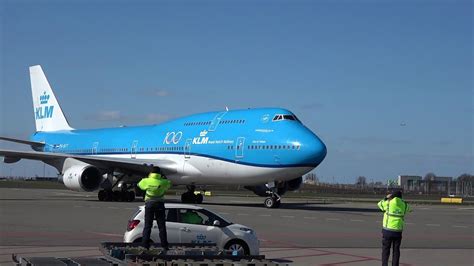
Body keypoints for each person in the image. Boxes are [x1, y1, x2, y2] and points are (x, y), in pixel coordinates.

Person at [138, 167, 171, 250]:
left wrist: (148, 179)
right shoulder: (163, 182)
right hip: (160, 204)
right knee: (162, 226)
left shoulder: (146, 180)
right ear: (160, 173)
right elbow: (169, 184)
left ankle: (145, 244)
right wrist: (163, 178)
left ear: (151, 173)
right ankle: (164, 245)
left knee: (148, 226)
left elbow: (139, 185)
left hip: (149, 204)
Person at [377, 190, 411, 266]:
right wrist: (402, 201)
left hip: (387, 231)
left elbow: (379, 204)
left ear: (392, 196)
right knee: (396, 250)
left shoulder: (388, 203)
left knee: (386, 250)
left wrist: (386, 198)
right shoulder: (404, 205)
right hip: (398, 232)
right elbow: (410, 209)